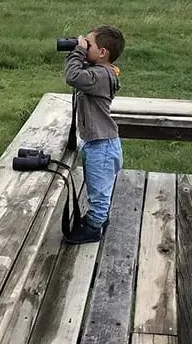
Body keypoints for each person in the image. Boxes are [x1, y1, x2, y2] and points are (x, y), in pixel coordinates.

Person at [63, 25, 125, 244]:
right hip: (99, 142)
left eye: (89, 44)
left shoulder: (99, 76)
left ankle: (93, 229)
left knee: (98, 194)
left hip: (102, 146)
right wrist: (81, 52)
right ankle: (98, 219)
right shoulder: (101, 72)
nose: (84, 46)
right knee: (96, 188)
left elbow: (72, 76)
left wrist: (78, 52)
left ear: (102, 53)